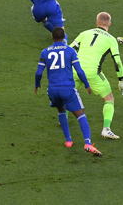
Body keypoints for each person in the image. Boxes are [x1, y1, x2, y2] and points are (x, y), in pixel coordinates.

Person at [35, 27, 102, 156]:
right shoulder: (70, 51)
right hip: (68, 89)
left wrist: (37, 84)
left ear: (53, 38)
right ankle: (87, 143)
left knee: (61, 110)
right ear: (64, 36)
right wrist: (87, 85)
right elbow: (79, 71)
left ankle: (68, 141)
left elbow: (39, 72)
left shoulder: (45, 52)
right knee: (80, 114)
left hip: (53, 90)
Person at [70, 12, 123, 140]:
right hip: (92, 73)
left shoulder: (85, 33)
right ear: (109, 24)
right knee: (109, 99)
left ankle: (62, 117)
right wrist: (121, 80)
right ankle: (106, 130)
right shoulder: (111, 39)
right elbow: (117, 61)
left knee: (70, 94)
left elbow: (70, 48)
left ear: (97, 23)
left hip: (75, 69)